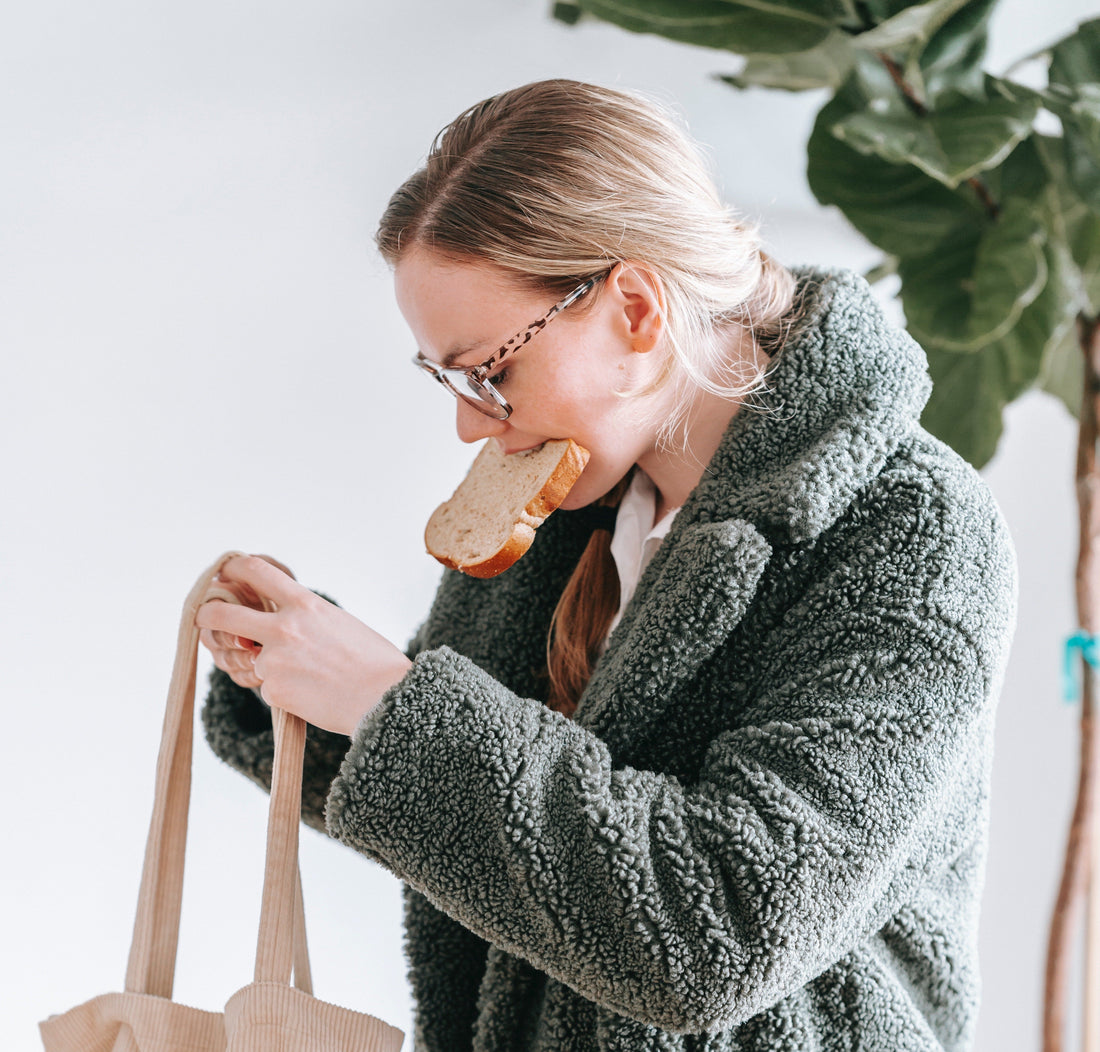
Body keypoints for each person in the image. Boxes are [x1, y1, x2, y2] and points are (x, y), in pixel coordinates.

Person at [197, 79, 1018, 1051]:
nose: (469, 420)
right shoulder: (550, 513)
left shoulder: (912, 531)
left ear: (632, 309)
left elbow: (720, 930)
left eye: (487, 371)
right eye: (447, 379)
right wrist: (294, 678)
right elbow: (483, 820)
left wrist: (384, 702)